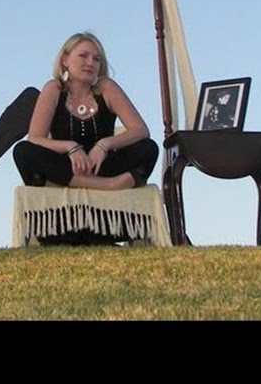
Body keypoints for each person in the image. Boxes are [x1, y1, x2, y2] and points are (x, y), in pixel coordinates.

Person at [12, 32, 160, 245]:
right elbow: (35, 138)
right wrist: (70, 147)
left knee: (148, 148)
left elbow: (140, 130)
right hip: (66, 168)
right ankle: (108, 186)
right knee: (23, 152)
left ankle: (97, 189)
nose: (90, 63)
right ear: (65, 59)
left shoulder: (106, 88)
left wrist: (104, 144)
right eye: (83, 56)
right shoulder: (54, 89)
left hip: (101, 166)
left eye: (96, 59)